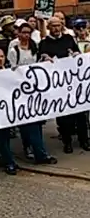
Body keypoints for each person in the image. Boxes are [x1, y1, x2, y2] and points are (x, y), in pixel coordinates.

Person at [38, 17, 86, 153]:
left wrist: (76, 54)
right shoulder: (44, 43)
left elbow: (77, 53)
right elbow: (40, 60)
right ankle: (67, 142)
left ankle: (84, 140)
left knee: (80, 113)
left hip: (73, 81)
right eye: (53, 26)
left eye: (58, 25)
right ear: (48, 27)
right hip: (57, 84)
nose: (56, 28)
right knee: (63, 115)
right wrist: (44, 58)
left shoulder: (69, 39)